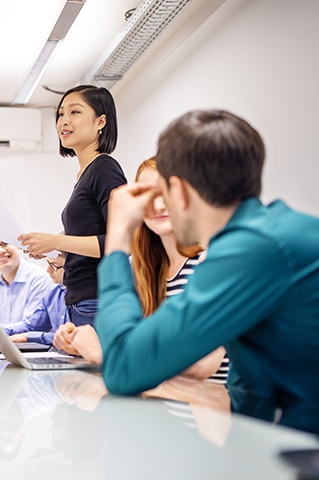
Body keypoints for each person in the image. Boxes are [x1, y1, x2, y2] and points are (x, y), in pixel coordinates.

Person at [96, 109, 319, 401]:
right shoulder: (270, 236)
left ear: (178, 190)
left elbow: (123, 370)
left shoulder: (252, 251)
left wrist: (117, 240)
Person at [55, 159, 229, 382]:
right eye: (147, 196)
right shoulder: (143, 272)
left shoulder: (210, 261)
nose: (158, 205)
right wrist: (82, 342)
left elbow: (200, 363)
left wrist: (103, 353)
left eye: (166, 193)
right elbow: (138, 347)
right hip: (165, 402)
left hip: (213, 406)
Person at [18, 85, 127, 332]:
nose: (64, 122)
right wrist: (56, 251)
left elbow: (122, 243)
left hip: (98, 301)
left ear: (101, 122)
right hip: (80, 300)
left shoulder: (104, 169)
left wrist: (57, 242)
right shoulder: (85, 174)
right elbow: (90, 242)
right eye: (60, 114)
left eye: (75, 112)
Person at [2, 254, 67, 346]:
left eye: (54, 265)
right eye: (48, 264)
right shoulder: (53, 292)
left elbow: (71, 338)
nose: (48, 270)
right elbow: (33, 326)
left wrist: (29, 337)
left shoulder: (88, 297)